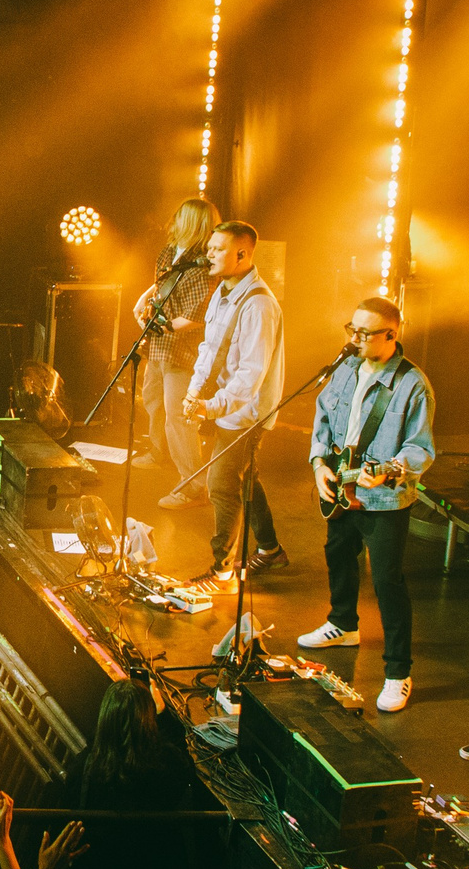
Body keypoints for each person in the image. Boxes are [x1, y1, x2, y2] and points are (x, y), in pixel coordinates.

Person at [297, 297, 438, 711]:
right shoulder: (344, 368)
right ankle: (342, 623)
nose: (354, 339)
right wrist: (319, 463)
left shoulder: (413, 384)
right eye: (351, 329)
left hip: (384, 498)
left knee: (387, 583)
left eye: (364, 333)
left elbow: (421, 447)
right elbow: (322, 415)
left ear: (393, 335)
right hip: (341, 483)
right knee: (337, 553)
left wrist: (392, 468)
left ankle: (398, 671)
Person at [181, 220, 285, 579]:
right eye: (209, 247)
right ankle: (270, 548)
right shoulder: (224, 292)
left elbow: (250, 376)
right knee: (246, 478)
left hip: (245, 414)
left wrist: (212, 406)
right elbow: (209, 349)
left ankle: (221, 570)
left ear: (241, 254)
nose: (208, 254)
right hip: (225, 406)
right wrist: (195, 391)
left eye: (217, 249)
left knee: (222, 486)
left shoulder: (259, 306)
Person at [132, 197, 220, 509]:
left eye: (181, 217)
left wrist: (165, 327)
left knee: (178, 416)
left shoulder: (204, 265)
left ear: (194, 224)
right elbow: (159, 284)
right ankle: (159, 453)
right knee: (152, 398)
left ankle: (194, 487)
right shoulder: (171, 252)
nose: (173, 220)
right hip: (158, 344)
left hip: (182, 351)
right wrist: (143, 301)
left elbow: (197, 315)